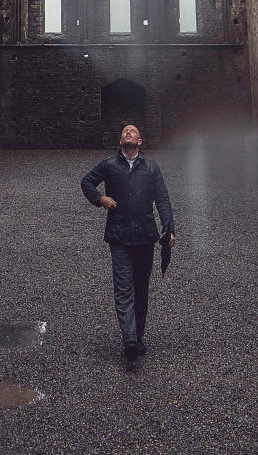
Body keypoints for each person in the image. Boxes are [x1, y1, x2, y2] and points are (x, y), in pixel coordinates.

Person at [81, 124, 176, 364]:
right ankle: (129, 341)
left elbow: (162, 198)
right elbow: (87, 182)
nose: (128, 133)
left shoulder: (151, 168)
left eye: (132, 131)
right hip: (119, 236)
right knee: (124, 288)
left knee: (141, 289)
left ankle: (138, 337)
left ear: (140, 141)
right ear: (120, 140)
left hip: (145, 236)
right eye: (124, 131)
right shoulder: (109, 166)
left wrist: (169, 227)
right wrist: (100, 199)